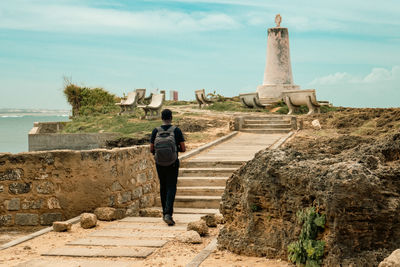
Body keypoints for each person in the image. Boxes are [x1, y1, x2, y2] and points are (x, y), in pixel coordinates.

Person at [150, 109, 185, 226]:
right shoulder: (176, 130)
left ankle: (164, 212)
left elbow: (151, 149)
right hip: (173, 163)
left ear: (161, 118)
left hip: (159, 163)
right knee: (171, 186)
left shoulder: (156, 131)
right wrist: (175, 150)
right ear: (171, 117)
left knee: (163, 186)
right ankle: (168, 214)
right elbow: (183, 148)